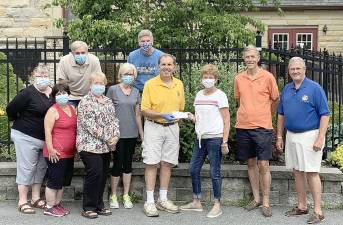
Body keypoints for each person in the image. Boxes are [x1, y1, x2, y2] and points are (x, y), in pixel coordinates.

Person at [276, 57, 330, 224]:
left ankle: (318, 211)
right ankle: (302, 206)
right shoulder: (286, 89)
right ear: (289, 71)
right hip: (291, 135)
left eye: (298, 68)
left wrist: (320, 138)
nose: (295, 71)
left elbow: (325, 115)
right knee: (297, 171)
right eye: (292, 69)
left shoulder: (314, 88)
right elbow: (281, 114)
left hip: (310, 135)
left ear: (305, 69)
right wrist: (279, 136)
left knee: (312, 172)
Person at [234, 45, 279, 217]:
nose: (250, 59)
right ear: (244, 59)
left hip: (263, 127)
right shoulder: (238, 78)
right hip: (243, 126)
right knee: (251, 163)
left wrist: (267, 114)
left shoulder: (268, 77)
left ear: (258, 58)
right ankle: (256, 198)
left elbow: (275, 99)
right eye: (247, 57)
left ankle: (266, 202)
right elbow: (239, 100)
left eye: (253, 56)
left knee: (263, 164)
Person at [180, 64, 230, 218]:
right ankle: (196, 201)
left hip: (215, 138)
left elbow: (226, 120)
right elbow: (199, 118)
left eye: (211, 77)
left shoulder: (220, 95)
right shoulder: (199, 95)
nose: (208, 79)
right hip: (200, 138)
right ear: (201, 78)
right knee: (193, 169)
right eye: (205, 77)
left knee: (215, 172)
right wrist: (191, 117)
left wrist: (225, 142)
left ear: (216, 79)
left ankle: (217, 204)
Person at [141, 54, 185, 217]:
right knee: (152, 163)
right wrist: (162, 115)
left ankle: (163, 199)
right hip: (154, 127)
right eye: (163, 64)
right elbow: (145, 109)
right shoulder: (150, 84)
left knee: (167, 163)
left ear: (174, 67)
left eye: (169, 64)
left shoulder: (179, 84)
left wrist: (175, 118)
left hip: (173, 128)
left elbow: (180, 108)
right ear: (158, 66)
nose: (166, 67)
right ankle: (150, 202)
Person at [6, 64, 53, 214]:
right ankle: (22, 201)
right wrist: (20, 121)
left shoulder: (52, 93)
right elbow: (11, 109)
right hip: (25, 136)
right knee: (27, 167)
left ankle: (35, 198)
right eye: (40, 75)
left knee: (41, 168)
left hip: (44, 138)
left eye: (46, 75)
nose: (43, 78)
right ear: (33, 76)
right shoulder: (27, 93)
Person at [77, 72, 120, 219]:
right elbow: (90, 125)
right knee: (94, 173)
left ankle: (99, 205)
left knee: (102, 175)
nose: (99, 86)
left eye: (101, 83)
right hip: (89, 145)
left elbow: (114, 120)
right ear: (90, 85)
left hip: (105, 146)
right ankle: (88, 206)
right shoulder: (85, 102)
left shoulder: (107, 101)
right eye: (96, 83)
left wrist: (116, 135)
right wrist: (108, 137)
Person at [106, 63, 144, 209]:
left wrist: (141, 134)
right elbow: (108, 113)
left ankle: (126, 195)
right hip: (117, 134)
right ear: (120, 75)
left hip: (131, 133)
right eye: (126, 74)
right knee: (117, 163)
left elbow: (137, 114)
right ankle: (113, 195)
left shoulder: (136, 91)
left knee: (128, 164)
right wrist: (110, 135)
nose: (129, 77)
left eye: (131, 74)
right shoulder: (113, 90)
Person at [43, 84, 77, 217]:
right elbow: (47, 130)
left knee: (63, 181)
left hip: (69, 153)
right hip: (56, 152)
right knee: (54, 180)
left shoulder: (72, 108)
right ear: (54, 97)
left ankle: (57, 204)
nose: (61, 96)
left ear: (68, 94)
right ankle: (49, 206)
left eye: (64, 93)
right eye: (58, 94)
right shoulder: (52, 110)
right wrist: (50, 149)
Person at [57, 40, 102, 106]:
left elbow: (98, 79)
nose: (80, 55)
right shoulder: (64, 61)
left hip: (89, 95)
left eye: (83, 53)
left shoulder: (94, 60)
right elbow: (62, 82)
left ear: (87, 52)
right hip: (71, 96)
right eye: (77, 53)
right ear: (72, 53)